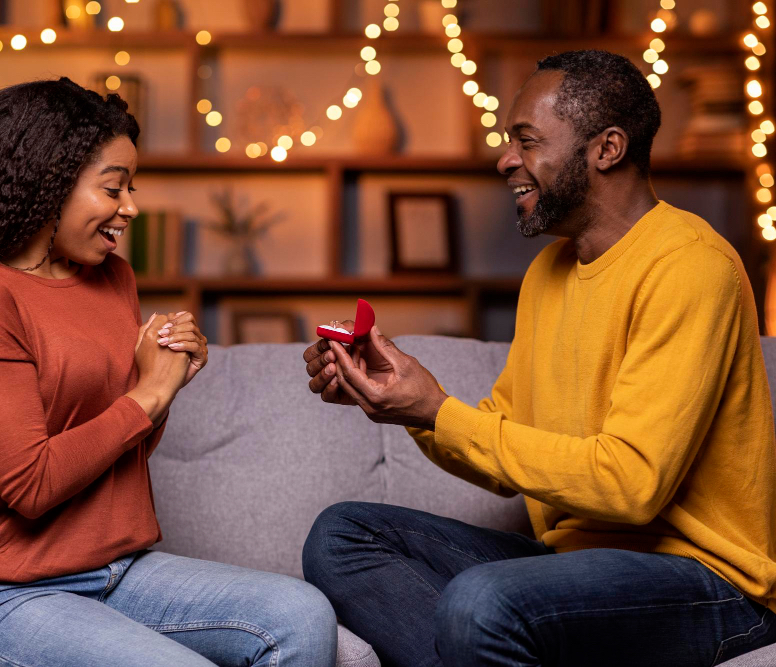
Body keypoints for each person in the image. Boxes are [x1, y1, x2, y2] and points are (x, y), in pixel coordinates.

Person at [300, 50, 776, 666]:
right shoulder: (548, 272)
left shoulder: (690, 266)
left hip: (708, 580)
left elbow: (632, 485)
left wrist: (437, 409)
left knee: (482, 601)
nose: (505, 160)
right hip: (570, 567)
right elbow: (501, 451)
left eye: (526, 141)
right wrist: (407, 402)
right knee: (341, 536)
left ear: (607, 149)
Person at [0, 77, 337, 667]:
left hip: (119, 569)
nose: (130, 207)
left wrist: (167, 381)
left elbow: (124, 449)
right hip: (9, 589)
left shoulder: (114, 279)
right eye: (113, 188)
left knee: (302, 614)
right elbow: (30, 486)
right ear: (47, 183)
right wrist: (150, 393)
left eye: (132, 187)